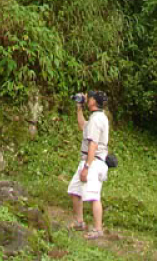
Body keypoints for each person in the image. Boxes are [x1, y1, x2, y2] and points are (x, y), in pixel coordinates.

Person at [67, 90, 110, 239]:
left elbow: (93, 144)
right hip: (88, 160)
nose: (87, 98)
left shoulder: (97, 119)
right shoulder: (95, 118)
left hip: (93, 161)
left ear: (93, 102)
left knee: (93, 195)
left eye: (89, 97)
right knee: (75, 190)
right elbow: (82, 126)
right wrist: (79, 107)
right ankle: (79, 221)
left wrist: (86, 167)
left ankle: (98, 229)